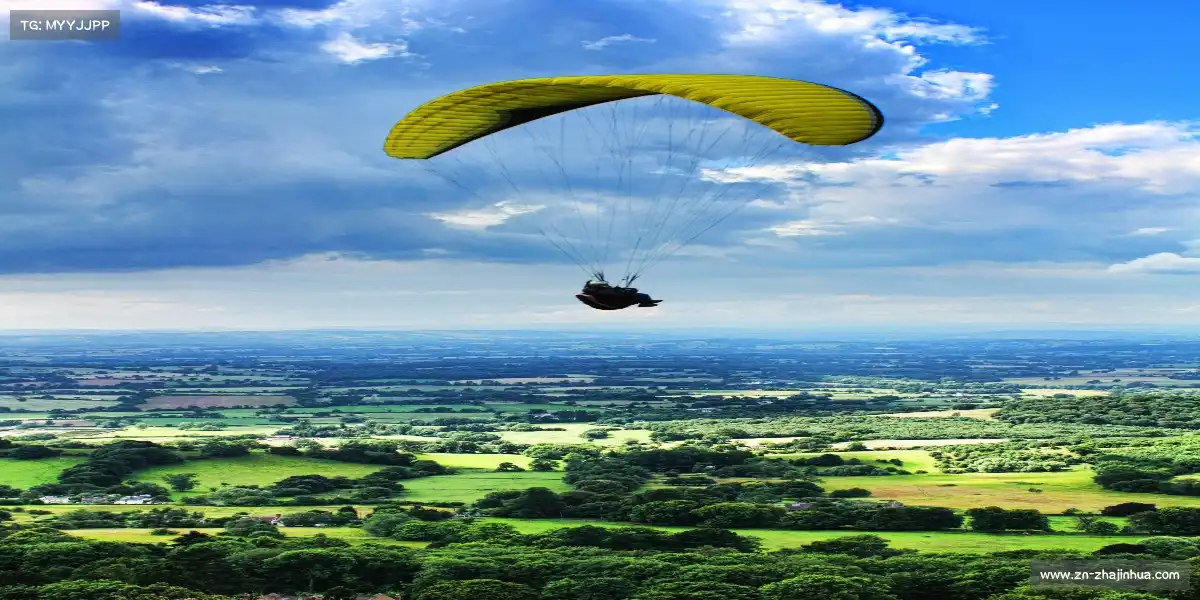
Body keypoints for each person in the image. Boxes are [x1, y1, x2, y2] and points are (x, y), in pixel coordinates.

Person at [577, 280, 661, 310]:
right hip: (617, 302)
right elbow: (616, 294)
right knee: (642, 296)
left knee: (643, 296)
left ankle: (647, 302)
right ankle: (645, 303)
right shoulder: (602, 293)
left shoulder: (597, 293)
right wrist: (630, 291)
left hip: (617, 302)